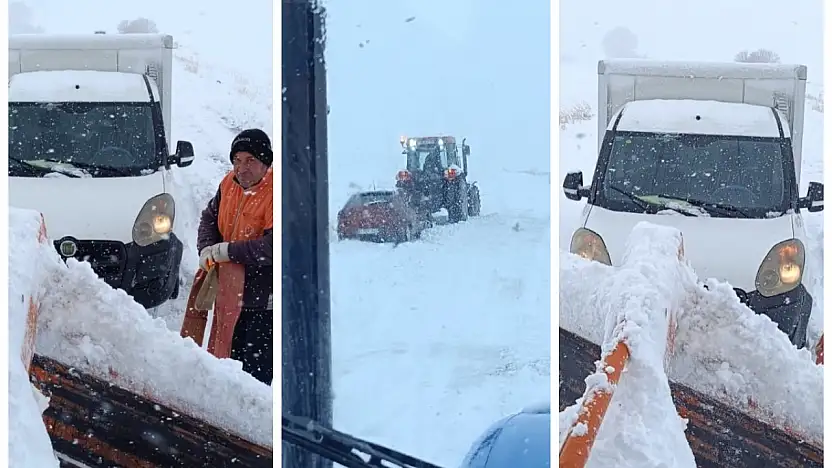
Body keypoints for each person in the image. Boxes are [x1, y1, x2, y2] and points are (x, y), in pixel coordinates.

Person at [180, 128, 274, 385]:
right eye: (237, 160)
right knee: (225, 362)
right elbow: (209, 218)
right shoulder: (228, 185)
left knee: (254, 376)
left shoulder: (274, 194)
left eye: (250, 161)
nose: (241, 168)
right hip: (228, 294)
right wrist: (206, 248)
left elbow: (272, 246)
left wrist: (228, 251)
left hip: (262, 302)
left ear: (265, 163)